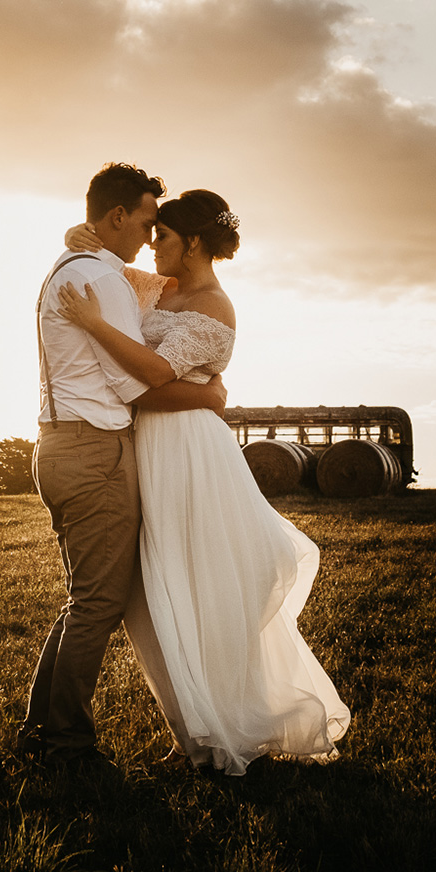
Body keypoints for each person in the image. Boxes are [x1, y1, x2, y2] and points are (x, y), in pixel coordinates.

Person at [54, 187, 351, 775]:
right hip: (150, 447)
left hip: (189, 453)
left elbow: (155, 373)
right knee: (152, 595)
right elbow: (107, 258)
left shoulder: (215, 305)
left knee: (194, 583)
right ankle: (194, 727)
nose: (150, 244)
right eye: (149, 231)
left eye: (160, 235)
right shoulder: (158, 288)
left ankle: (225, 723)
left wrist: (93, 324)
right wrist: (74, 238)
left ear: (191, 242)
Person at [17, 163, 229, 769]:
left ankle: (43, 733)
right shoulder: (101, 283)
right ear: (116, 217)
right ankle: (67, 747)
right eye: (143, 222)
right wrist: (209, 397)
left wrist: (77, 237)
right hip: (93, 451)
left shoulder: (77, 267)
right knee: (97, 605)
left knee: (87, 600)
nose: (147, 234)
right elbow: (132, 384)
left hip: (60, 445)